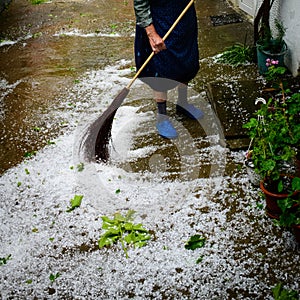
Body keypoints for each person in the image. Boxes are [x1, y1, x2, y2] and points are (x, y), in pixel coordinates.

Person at [133, 0, 203, 139]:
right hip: (159, 20)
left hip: (184, 17)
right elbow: (140, 2)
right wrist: (151, 33)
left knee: (186, 61)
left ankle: (183, 103)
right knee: (162, 67)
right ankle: (162, 117)